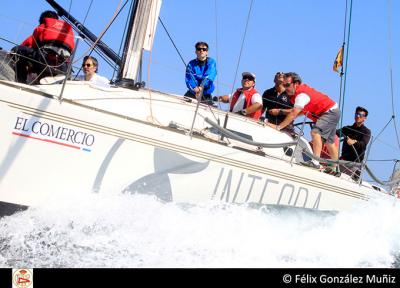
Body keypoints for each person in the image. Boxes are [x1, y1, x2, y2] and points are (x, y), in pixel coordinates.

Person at [267, 72, 340, 172]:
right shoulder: (295, 95)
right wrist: (281, 111)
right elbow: (300, 111)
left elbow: (294, 113)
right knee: (330, 142)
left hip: (329, 112)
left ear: (296, 84)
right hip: (332, 111)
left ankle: (315, 163)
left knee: (315, 132)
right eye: (284, 85)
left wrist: (278, 127)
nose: (285, 87)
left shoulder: (301, 95)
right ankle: (335, 169)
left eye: (287, 85)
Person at [11, 10, 75, 84]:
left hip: (46, 61)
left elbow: (30, 44)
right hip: (65, 67)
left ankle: (20, 82)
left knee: (17, 51)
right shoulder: (68, 31)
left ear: (43, 20)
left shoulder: (42, 26)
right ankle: (56, 75)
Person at [336, 106, 371, 180]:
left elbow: (363, 145)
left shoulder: (366, 131)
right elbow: (336, 133)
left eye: (360, 115)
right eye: (356, 114)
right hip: (343, 161)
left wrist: (354, 142)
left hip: (355, 164)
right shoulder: (347, 128)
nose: (358, 116)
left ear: (364, 118)